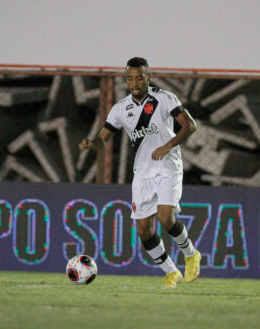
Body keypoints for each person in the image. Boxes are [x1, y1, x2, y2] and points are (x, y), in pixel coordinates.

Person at [79, 57, 201, 288]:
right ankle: (170, 272)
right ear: (126, 80)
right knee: (144, 230)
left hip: (168, 167)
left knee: (166, 217)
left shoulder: (165, 98)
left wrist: (167, 146)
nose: (135, 82)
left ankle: (191, 255)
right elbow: (102, 140)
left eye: (140, 77)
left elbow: (190, 125)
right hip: (143, 173)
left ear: (149, 77)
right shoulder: (119, 109)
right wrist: (91, 144)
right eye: (130, 78)